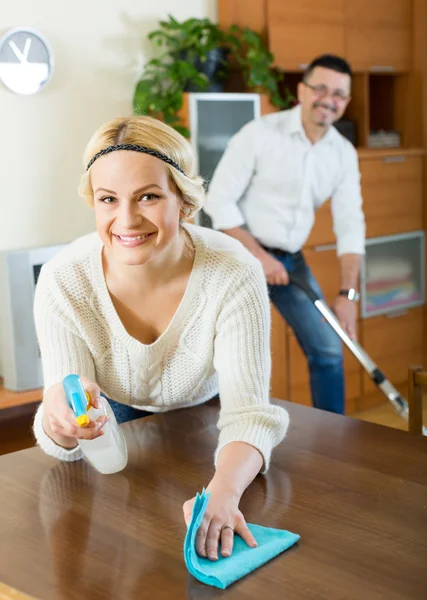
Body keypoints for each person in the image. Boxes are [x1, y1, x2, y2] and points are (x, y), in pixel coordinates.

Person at [32, 115, 289, 561]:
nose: (126, 220)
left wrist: (223, 494)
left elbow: (248, 413)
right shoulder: (63, 281)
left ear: (184, 203)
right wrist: (61, 422)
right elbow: (61, 424)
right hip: (115, 421)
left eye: (148, 196)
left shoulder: (234, 272)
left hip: (209, 414)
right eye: (108, 199)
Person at [204, 54, 366, 415]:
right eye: (320, 88)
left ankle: (334, 444)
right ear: (301, 91)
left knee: (328, 349)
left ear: (347, 102)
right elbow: (218, 202)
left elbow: (350, 224)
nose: (329, 99)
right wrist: (259, 257)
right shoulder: (260, 134)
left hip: (289, 262)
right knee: (229, 359)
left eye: (339, 93)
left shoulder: (342, 154)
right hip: (237, 257)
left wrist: (348, 294)